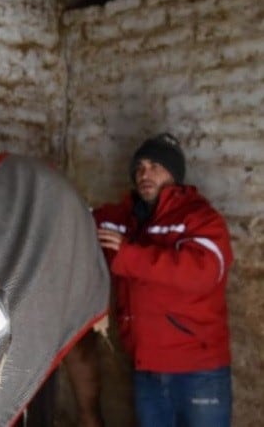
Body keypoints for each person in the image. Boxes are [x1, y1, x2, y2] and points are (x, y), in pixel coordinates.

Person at [92, 132, 233, 427]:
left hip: (198, 373)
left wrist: (129, 255)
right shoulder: (124, 219)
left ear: (175, 173)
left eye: (156, 166)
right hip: (147, 372)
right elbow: (81, 219)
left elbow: (203, 272)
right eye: (140, 167)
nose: (145, 173)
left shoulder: (199, 218)